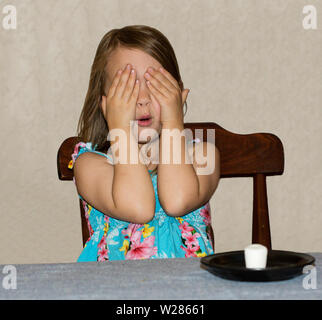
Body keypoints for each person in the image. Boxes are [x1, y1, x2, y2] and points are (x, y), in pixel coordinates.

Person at [69, 25, 221, 262]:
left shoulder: (203, 155)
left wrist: (173, 122)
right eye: (127, 88)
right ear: (104, 103)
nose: (142, 99)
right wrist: (119, 129)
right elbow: (138, 207)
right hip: (111, 290)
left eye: (155, 84)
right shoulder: (89, 164)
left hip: (189, 290)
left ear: (178, 94)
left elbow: (176, 200)